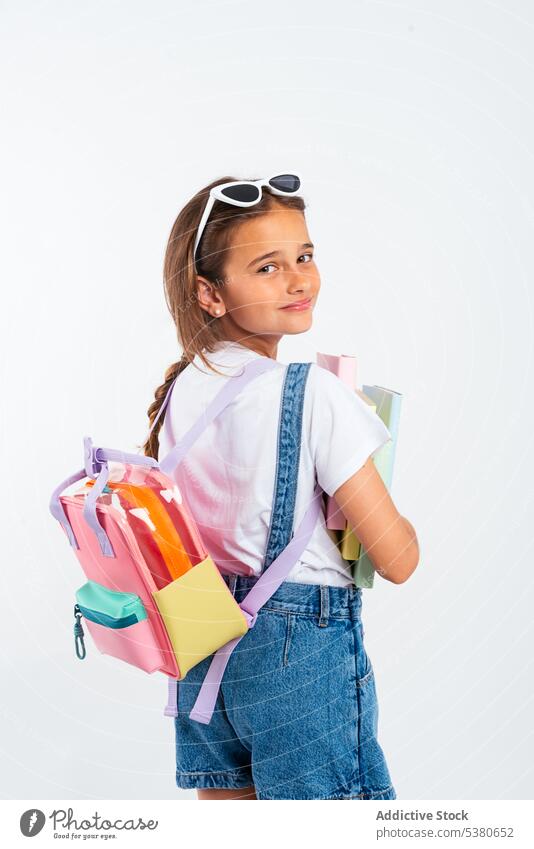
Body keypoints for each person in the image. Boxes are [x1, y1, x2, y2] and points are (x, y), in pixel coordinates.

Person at [142, 174, 420, 800]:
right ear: (208, 294)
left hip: (200, 638)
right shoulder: (314, 391)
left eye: (305, 256)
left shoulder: (181, 390)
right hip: (298, 649)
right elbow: (397, 560)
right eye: (267, 267)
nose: (298, 280)